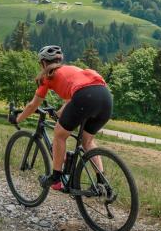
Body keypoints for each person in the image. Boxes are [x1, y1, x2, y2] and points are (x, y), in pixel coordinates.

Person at [10, 45, 113, 190]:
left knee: (59, 135)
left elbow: (32, 105)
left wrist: (17, 119)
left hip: (85, 97)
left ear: (43, 63)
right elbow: (76, 95)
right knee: (87, 141)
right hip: (105, 97)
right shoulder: (72, 69)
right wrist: (59, 113)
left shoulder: (48, 76)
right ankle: (102, 184)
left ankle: (56, 178)